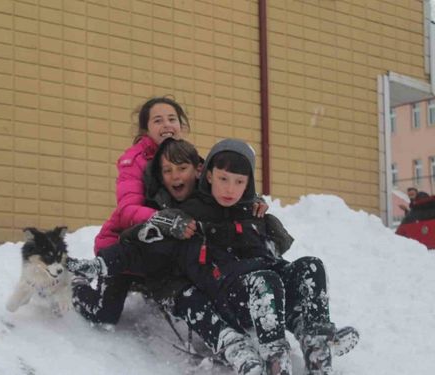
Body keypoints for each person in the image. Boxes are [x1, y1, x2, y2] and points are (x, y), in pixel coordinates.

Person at [70, 138, 359, 375]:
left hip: (266, 286)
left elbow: (278, 249)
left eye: (238, 182)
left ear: (248, 184)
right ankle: (275, 358)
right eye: (223, 179)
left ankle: (317, 346)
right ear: (207, 175)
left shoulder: (251, 213)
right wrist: (101, 264)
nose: (230, 189)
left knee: (311, 266)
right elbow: (142, 245)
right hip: (229, 293)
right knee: (265, 280)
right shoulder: (191, 216)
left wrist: (267, 221)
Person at [71, 100, 267, 375]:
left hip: (169, 243)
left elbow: (223, 183)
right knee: (105, 314)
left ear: (182, 125)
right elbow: (127, 210)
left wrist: (251, 201)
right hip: (125, 243)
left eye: (171, 119)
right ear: (145, 128)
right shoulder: (134, 160)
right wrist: (163, 220)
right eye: (158, 120)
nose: (166, 125)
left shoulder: (191, 158)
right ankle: (77, 286)